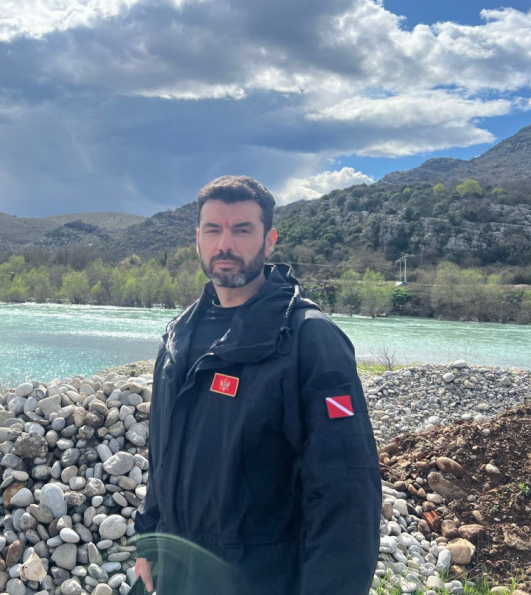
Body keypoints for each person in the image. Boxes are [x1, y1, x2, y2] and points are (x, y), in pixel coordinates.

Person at [133, 175, 381, 594]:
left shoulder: (308, 339)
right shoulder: (179, 334)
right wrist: (150, 536)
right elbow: (164, 453)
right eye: (213, 229)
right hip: (179, 570)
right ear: (197, 239)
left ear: (269, 241)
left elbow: (347, 494)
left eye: (242, 230)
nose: (225, 244)